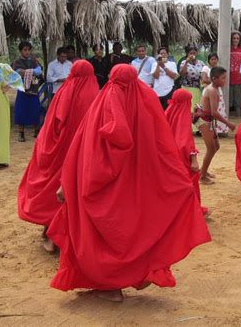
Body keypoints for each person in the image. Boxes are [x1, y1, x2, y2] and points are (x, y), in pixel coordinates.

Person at [46, 64, 211, 302]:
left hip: (101, 185)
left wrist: (68, 182)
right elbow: (162, 149)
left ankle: (109, 286)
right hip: (133, 186)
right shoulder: (146, 102)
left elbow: (86, 149)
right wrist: (176, 182)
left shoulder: (104, 104)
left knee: (103, 235)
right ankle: (136, 274)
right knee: (130, 231)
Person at [18, 60, 99, 252]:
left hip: (61, 153)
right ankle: (69, 236)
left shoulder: (64, 91)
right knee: (76, 192)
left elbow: (53, 124)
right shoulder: (95, 92)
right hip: (82, 154)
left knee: (55, 193)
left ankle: (52, 233)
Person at [165, 89, 210, 216]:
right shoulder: (182, 115)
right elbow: (185, 141)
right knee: (190, 183)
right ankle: (191, 210)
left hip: (168, 158)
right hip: (181, 159)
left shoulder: (167, 113)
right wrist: (194, 160)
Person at [194, 66, 236, 185]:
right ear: (214, 78)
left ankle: (203, 171)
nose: (225, 80)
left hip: (208, 120)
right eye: (223, 78)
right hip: (204, 120)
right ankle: (202, 176)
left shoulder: (214, 89)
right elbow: (214, 112)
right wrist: (228, 124)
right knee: (211, 148)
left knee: (216, 146)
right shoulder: (212, 90)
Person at [12, 41, 44, 142]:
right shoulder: (16, 62)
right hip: (22, 90)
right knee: (21, 111)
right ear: (20, 51)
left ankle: (37, 131)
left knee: (35, 109)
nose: (27, 52)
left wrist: (26, 72)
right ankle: (21, 133)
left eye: (28, 50)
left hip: (34, 89)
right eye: (25, 50)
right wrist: (28, 71)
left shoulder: (34, 60)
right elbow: (15, 73)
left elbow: (39, 71)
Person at [201, 53, 229, 135]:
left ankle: (219, 130)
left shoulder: (219, 69)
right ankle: (207, 129)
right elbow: (204, 80)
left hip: (218, 91)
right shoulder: (205, 68)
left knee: (219, 109)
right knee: (208, 110)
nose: (213, 61)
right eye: (212, 59)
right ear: (208, 60)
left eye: (215, 59)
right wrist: (216, 81)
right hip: (208, 90)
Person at [180, 46, 205, 116]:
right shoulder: (184, 62)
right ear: (187, 54)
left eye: (194, 53)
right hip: (187, 88)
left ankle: (195, 125)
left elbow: (205, 73)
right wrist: (186, 62)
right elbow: (182, 74)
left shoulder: (201, 63)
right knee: (188, 108)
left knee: (196, 107)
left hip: (197, 88)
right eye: (191, 53)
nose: (193, 55)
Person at [229, 31, 241, 117]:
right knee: (228, 101)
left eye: (237, 38)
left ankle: (240, 120)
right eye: (234, 38)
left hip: (239, 79)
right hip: (227, 79)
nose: (236, 40)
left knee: (239, 102)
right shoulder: (226, 48)